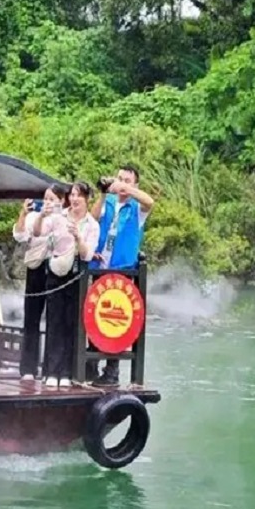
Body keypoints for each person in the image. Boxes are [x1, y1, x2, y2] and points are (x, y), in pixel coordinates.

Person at [89, 164, 155, 386]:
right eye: (119, 178)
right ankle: (90, 366)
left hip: (122, 271)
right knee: (93, 315)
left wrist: (127, 190)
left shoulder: (136, 208)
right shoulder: (108, 202)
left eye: (127, 180)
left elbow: (150, 202)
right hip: (100, 267)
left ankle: (112, 371)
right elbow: (92, 218)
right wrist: (104, 192)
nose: (121, 183)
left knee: (115, 321)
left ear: (135, 184)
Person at [35, 182, 99, 389]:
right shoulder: (58, 217)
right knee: (54, 321)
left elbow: (87, 254)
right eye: (72, 194)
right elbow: (38, 233)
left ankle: (68, 371)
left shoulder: (92, 225)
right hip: (56, 271)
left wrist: (78, 237)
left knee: (73, 322)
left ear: (87, 198)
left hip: (77, 274)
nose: (74, 199)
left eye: (79, 195)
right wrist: (41, 216)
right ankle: (51, 370)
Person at [14, 184, 69, 381]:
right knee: (31, 318)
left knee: (55, 320)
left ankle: (50, 369)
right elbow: (20, 235)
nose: (48, 202)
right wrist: (25, 213)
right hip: (36, 267)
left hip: (58, 269)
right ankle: (28, 368)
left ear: (62, 201)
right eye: (46, 198)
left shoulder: (66, 218)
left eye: (52, 199)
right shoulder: (34, 217)